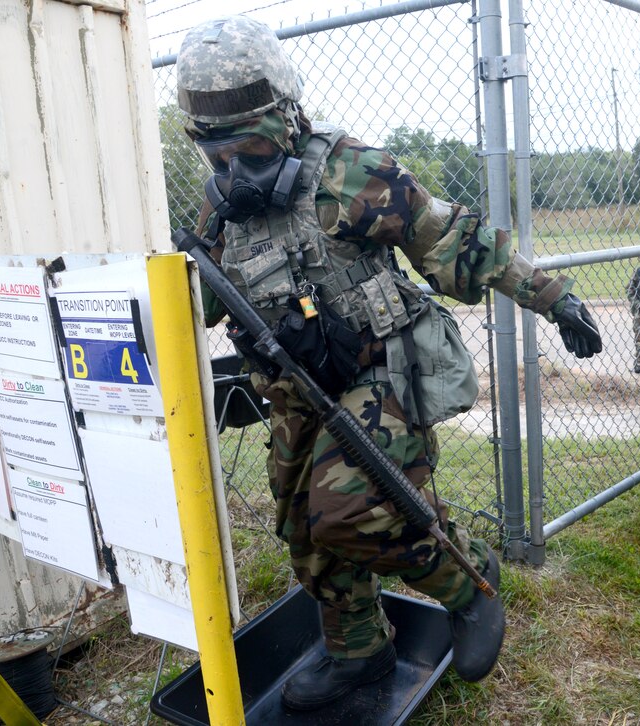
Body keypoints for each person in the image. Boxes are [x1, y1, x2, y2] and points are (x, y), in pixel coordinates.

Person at [175, 15, 603, 710]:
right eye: (216, 154)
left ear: (285, 115)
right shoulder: (224, 205)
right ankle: (359, 655)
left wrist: (555, 297)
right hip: (293, 384)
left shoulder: (351, 172)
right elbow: (208, 302)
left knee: (350, 509)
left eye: (249, 145)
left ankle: (468, 584)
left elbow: (455, 244)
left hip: (378, 368)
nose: (234, 169)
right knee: (306, 530)